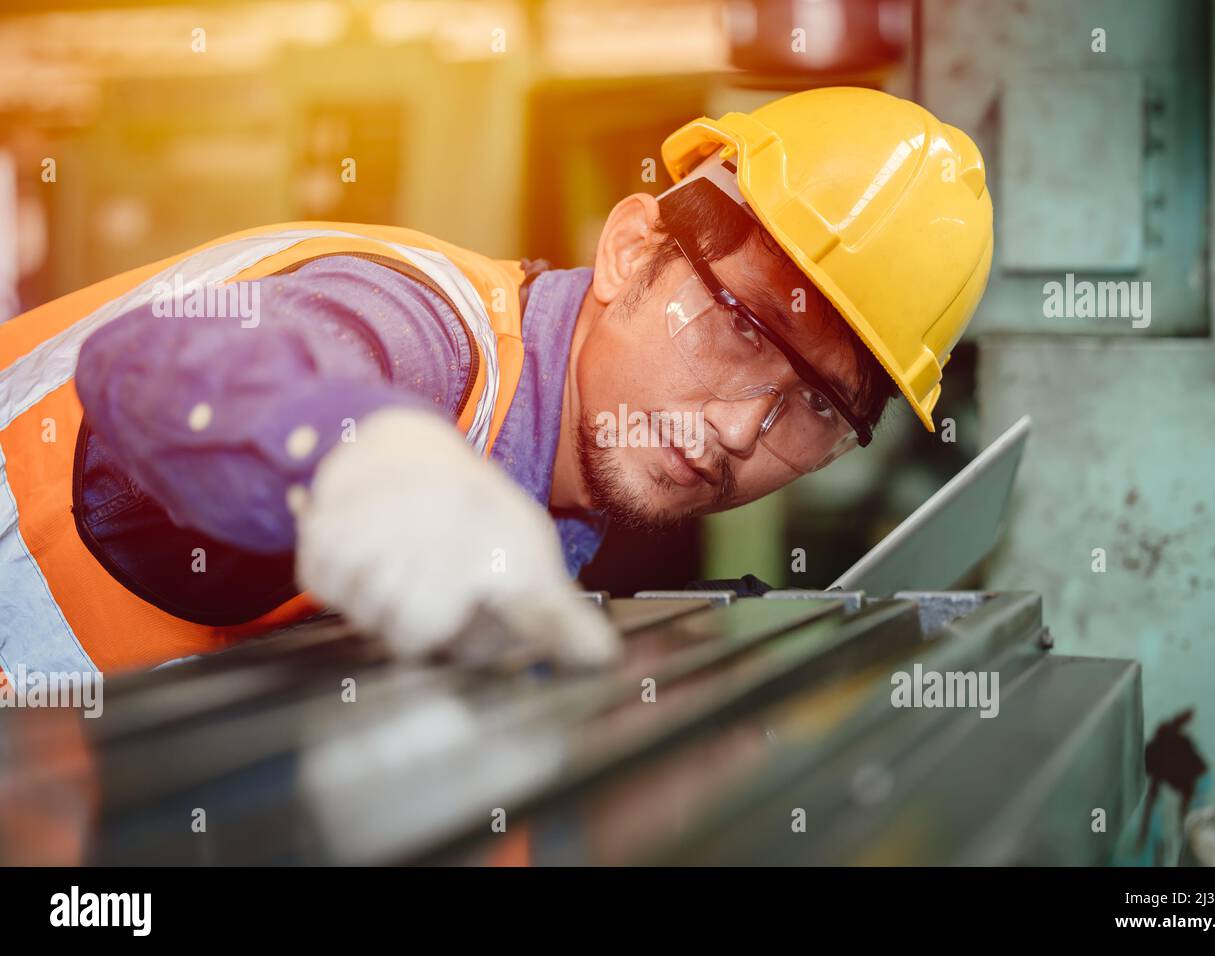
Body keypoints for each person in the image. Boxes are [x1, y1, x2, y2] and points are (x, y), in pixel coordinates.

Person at [0, 87, 993, 675]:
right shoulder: (425, 341)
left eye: (817, 405)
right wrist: (362, 461)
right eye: (739, 325)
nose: (743, 427)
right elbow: (163, 361)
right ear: (630, 248)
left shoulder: (569, 497)